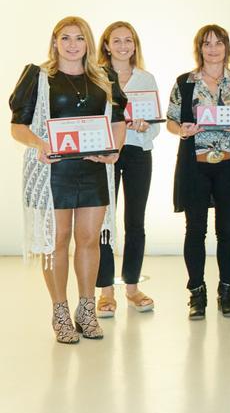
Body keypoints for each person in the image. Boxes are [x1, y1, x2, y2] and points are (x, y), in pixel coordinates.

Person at [11, 17, 126, 344]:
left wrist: (114, 151)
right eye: (66, 38)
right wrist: (40, 144)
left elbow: (118, 120)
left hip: (92, 169)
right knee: (57, 242)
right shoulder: (39, 77)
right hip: (53, 171)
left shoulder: (105, 78)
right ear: (55, 42)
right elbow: (17, 126)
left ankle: (86, 310)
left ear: (88, 42)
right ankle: (59, 312)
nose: (73, 44)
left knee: (89, 239)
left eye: (79, 38)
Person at [167, 24, 230, 320]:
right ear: (199, 49)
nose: (213, 48)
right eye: (207, 44)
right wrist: (183, 130)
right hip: (195, 165)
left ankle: (226, 293)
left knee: (227, 230)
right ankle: (197, 294)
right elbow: (171, 121)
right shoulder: (185, 82)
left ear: (227, 47)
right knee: (195, 230)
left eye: (219, 43)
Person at [95, 21, 158, 317]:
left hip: (137, 152)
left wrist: (145, 128)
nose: (123, 46)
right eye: (116, 40)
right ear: (106, 45)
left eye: (128, 40)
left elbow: (155, 126)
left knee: (135, 221)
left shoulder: (146, 78)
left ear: (135, 45)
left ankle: (132, 287)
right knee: (103, 222)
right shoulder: (95, 77)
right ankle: (105, 292)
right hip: (105, 153)